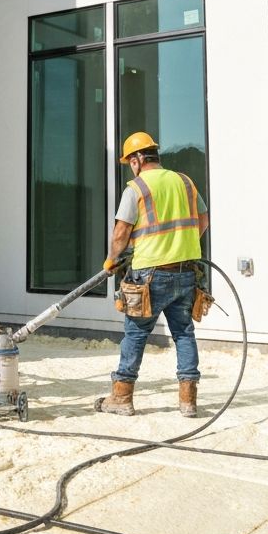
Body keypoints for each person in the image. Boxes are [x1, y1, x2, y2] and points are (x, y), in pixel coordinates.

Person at [97, 131, 209, 418]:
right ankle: (188, 401)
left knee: (135, 334)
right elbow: (203, 218)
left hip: (149, 275)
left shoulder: (136, 188)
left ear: (137, 159)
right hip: (186, 272)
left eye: (130, 162)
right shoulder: (185, 182)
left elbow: (121, 232)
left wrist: (111, 261)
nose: (130, 168)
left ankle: (122, 397)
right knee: (183, 333)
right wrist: (181, 245)